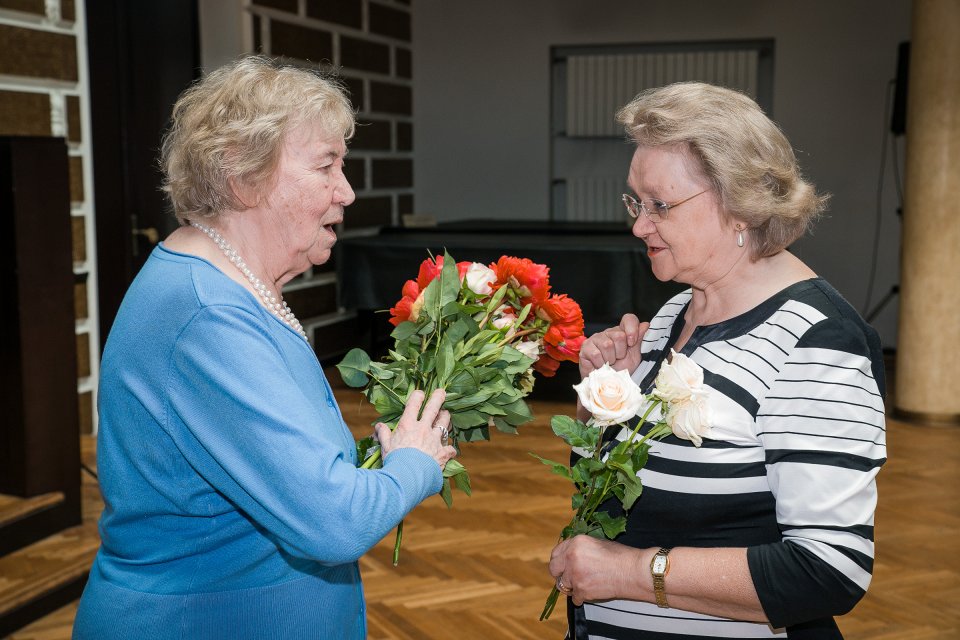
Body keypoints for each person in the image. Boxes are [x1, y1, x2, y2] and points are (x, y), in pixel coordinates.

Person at [73, 55, 456, 639]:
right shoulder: (206, 315)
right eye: (326, 166)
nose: (347, 192)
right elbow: (333, 524)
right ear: (243, 174)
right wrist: (413, 464)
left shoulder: (226, 283)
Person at [548, 82, 886, 639]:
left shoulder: (818, 343)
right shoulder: (679, 307)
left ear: (740, 206)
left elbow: (827, 570)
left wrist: (630, 573)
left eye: (661, 205)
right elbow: (625, 487)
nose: (638, 225)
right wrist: (602, 404)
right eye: (636, 201)